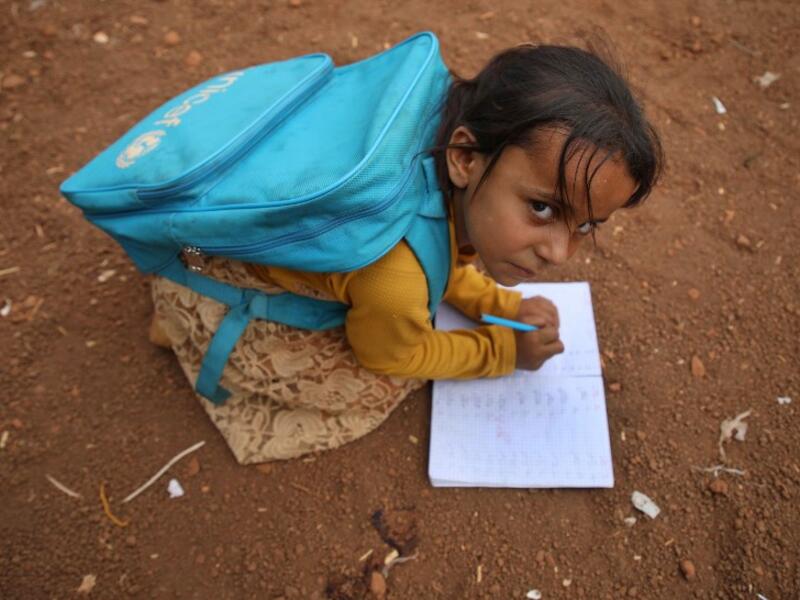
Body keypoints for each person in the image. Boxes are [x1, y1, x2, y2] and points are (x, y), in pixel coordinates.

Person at [149, 41, 663, 464]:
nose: (559, 252)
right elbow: (390, 354)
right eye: (544, 209)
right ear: (464, 158)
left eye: (587, 224)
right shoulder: (395, 281)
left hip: (250, 226)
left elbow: (444, 248)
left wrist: (497, 304)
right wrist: (502, 351)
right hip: (213, 272)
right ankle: (182, 325)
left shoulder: (445, 131)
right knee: (366, 388)